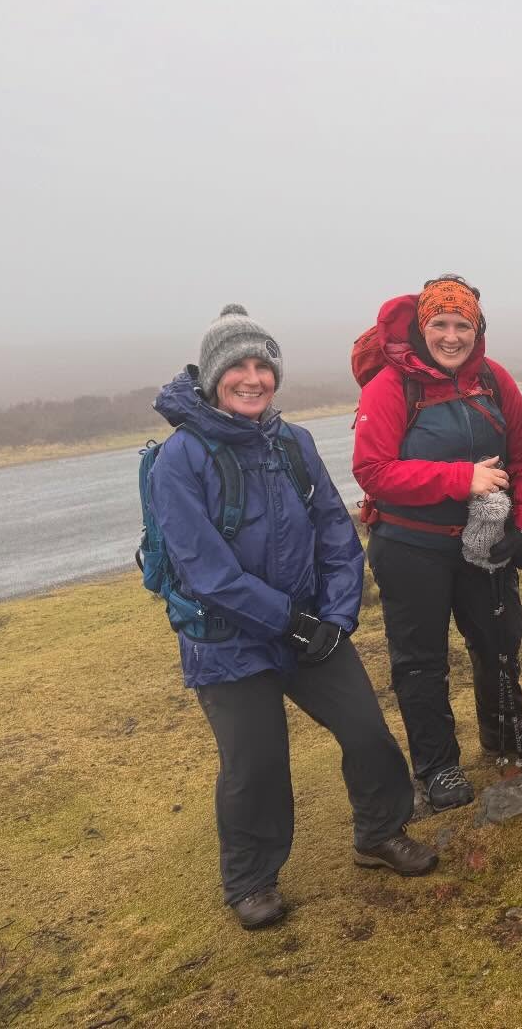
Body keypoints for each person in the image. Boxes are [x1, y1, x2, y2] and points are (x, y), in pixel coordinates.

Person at [149, 305, 436, 932]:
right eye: (238, 368)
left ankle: (380, 832)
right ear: (212, 377)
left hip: (311, 625)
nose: (252, 378)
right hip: (228, 640)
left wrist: (335, 615)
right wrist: (292, 621)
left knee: (366, 731)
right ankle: (251, 879)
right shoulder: (180, 460)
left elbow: (336, 531)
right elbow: (207, 573)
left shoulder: (293, 443)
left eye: (263, 367)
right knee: (255, 763)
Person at [353, 276, 522, 814]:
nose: (451, 336)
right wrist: (459, 479)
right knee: (421, 661)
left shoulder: (493, 379)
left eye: (463, 325)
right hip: (411, 547)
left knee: (500, 640)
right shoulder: (390, 387)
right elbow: (372, 471)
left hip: (485, 544)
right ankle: (437, 767)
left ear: (477, 329)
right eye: (439, 324)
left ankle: (505, 732)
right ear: (422, 328)